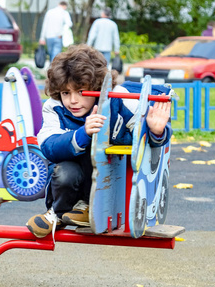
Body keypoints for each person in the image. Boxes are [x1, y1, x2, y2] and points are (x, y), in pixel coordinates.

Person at [26, 44, 173, 238]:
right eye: (65, 93)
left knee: (100, 151)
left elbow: (144, 143)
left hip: (112, 182)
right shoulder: (54, 108)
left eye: (81, 91)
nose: (72, 101)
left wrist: (155, 131)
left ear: (96, 88)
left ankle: (82, 210)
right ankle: (59, 213)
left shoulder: (119, 99)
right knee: (64, 171)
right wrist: (82, 133)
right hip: (69, 185)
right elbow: (49, 147)